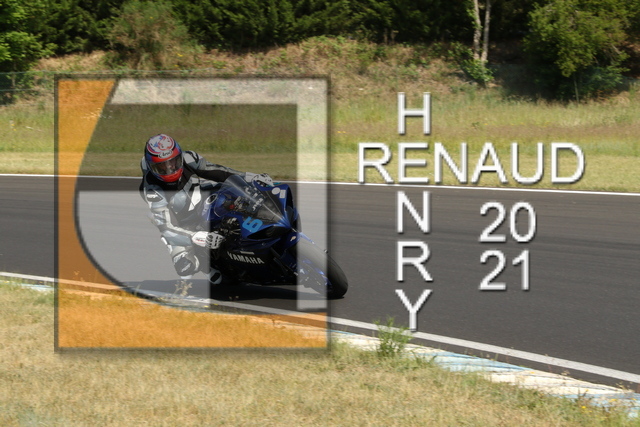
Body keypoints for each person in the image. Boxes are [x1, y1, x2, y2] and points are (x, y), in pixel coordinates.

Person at [139, 134, 273, 285]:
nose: (170, 168)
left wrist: (250, 177)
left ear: (180, 157)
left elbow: (219, 171)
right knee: (185, 266)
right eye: (162, 167)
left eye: (173, 162)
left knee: (238, 194)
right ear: (151, 167)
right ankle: (206, 266)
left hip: (202, 199)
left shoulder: (189, 158)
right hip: (182, 224)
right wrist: (196, 236)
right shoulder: (152, 190)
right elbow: (167, 228)